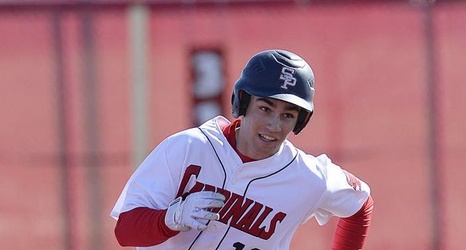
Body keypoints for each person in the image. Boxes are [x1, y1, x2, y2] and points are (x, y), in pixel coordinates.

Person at [110, 49, 374, 250]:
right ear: (243, 102)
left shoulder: (310, 177)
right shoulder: (188, 148)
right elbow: (125, 231)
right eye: (265, 108)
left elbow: (360, 205)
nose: (274, 125)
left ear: (300, 121)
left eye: (288, 115)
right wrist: (172, 217)